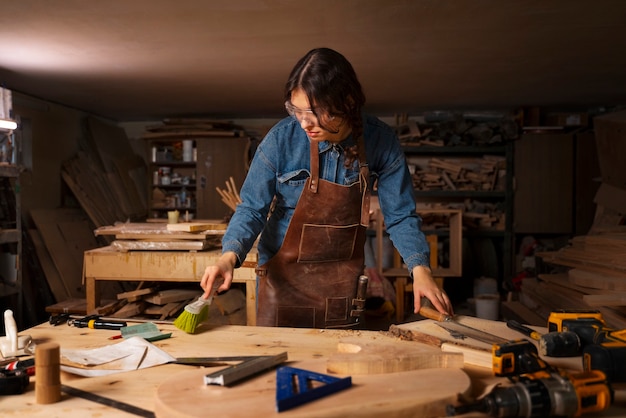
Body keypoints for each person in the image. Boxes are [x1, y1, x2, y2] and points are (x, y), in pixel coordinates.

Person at [200, 47, 453, 328]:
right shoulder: (280, 141)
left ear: (346, 102)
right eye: (296, 111)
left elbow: (401, 215)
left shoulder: (381, 141)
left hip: (341, 283)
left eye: (314, 112)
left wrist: (420, 270)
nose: (304, 123)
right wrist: (228, 257)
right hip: (282, 281)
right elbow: (251, 209)